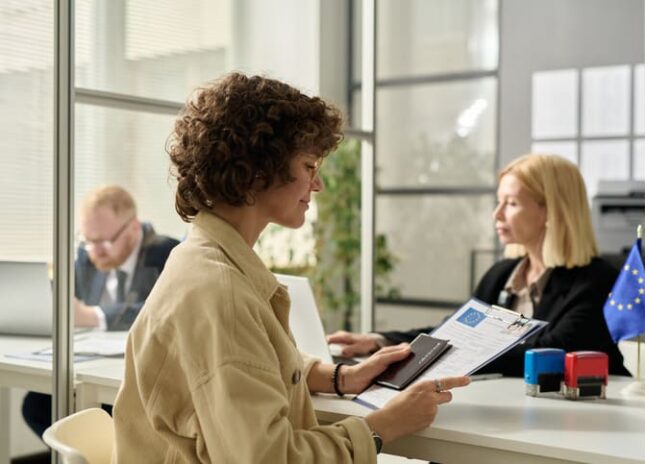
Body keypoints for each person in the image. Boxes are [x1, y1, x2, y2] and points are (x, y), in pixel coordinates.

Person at [111, 73, 470, 463]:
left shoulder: (201, 258)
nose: (317, 185)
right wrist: (385, 426)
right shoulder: (221, 293)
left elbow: (243, 364)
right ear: (258, 171)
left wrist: (341, 377)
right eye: (308, 165)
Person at [328, 154, 630, 377]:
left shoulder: (598, 281)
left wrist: (458, 349)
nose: (496, 214)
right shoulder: (502, 275)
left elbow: (550, 351)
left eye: (511, 203)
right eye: (499, 202)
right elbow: (456, 332)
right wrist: (380, 342)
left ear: (551, 211)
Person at [22, 185, 180, 439]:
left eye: (104, 241)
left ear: (133, 229)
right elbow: (58, 295)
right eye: (88, 240)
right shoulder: (88, 255)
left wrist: (95, 316)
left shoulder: (168, 254)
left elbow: (163, 309)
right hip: (93, 364)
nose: (95, 251)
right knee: (37, 405)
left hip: (138, 377)